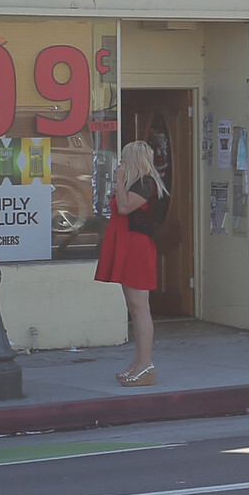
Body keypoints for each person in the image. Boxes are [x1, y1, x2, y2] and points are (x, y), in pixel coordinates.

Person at [95, 141, 165, 386]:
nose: (120, 164)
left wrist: (121, 180)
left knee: (140, 307)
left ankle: (146, 365)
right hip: (127, 246)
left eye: (124, 160)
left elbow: (124, 208)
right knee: (134, 309)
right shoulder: (136, 183)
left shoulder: (145, 183)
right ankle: (138, 363)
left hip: (136, 248)